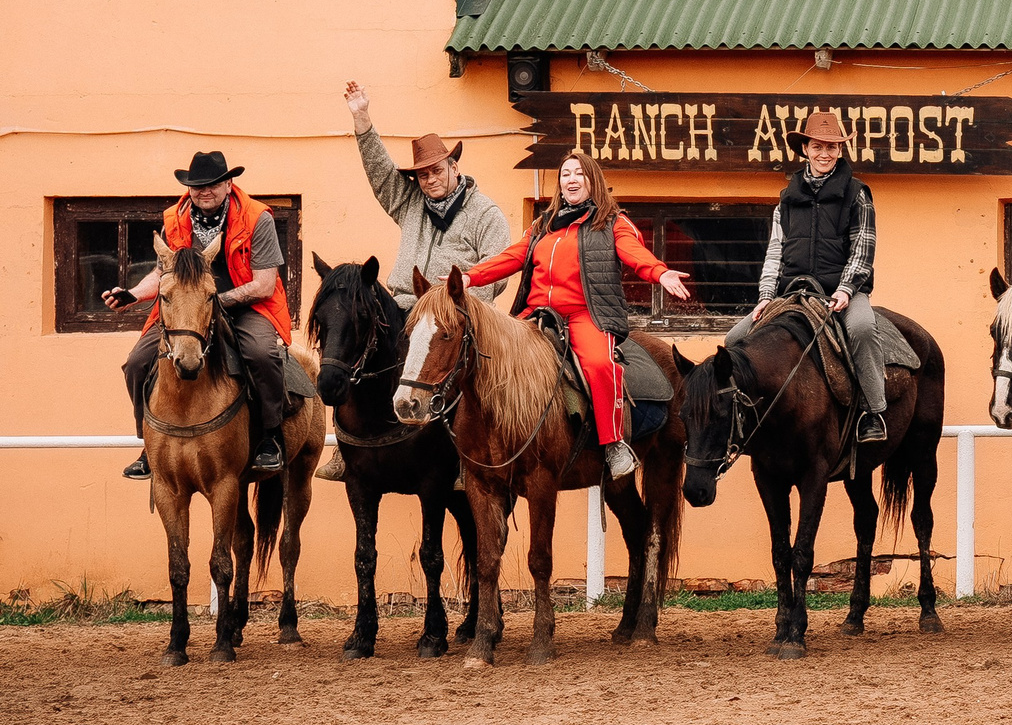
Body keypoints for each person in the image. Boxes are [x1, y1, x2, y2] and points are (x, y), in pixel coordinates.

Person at [325, 81, 514, 479]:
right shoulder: (410, 201)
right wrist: (362, 118)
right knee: (356, 336)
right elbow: (380, 171)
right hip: (405, 310)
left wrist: (456, 300)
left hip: (457, 316)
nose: (429, 180)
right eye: (423, 174)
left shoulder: (486, 214)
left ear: (454, 167)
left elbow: (497, 271)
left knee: (466, 370)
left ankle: (466, 461)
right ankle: (348, 446)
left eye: (436, 170)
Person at [463, 150, 691, 479]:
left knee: (599, 365)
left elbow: (634, 253)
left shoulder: (612, 222)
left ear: (592, 181)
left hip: (587, 314)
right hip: (538, 314)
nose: (571, 179)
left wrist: (660, 272)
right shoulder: (542, 226)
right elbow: (512, 256)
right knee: (487, 358)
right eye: (565, 174)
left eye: (579, 173)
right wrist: (471, 277)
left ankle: (613, 445)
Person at [110, 151, 294, 481]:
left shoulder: (258, 218)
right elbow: (162, 273)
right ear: (189, 188)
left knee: (262, 354)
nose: (204, 191)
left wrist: (214, 302)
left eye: (213, 184)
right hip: (186, 310)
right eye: (197, 185)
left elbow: (265, 284)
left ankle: (271, 437)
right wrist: (133, 294)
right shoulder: (174, 220)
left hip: (246, 305)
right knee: (136, 362)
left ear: (229, 184)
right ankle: (149, 445)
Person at [723, 111, 886, 444]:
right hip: (791, 292)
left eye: (831, 147)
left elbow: (863, 248)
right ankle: (742, 419)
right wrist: (766, 297)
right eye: (817, 146)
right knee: (734, 339)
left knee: (862, 328)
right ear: (805, 150)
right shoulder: (786, 199)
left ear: (840, 150)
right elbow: (774, 252)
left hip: (840, 292)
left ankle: (873, 411)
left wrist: (846, 289)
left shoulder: (857, 193)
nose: (824, 153)